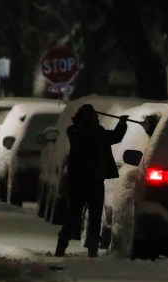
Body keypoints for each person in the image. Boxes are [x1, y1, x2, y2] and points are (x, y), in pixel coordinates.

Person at [54, 104, 128, 258]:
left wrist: (122, 123)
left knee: (95, 216)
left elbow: (115, 137)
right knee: (73, 214)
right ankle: (62, 245)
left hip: (95, 180)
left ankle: (92, 248)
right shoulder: (74, 131)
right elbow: (78, 141)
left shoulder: (98, 132)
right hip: (78, 181)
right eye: (94, 118)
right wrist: (87, 124)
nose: (97, 120)